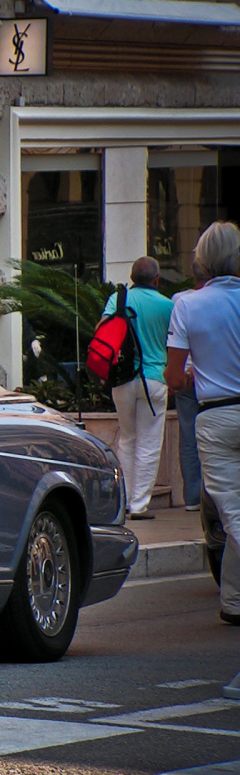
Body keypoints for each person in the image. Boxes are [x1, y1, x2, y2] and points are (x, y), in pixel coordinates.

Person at [166, 221, 240, 626]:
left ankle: (234, 601)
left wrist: (197, 376)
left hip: (215, 416)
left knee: (232, 516)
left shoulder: (187, 304)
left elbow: (175, 378)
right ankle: (233, 601)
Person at [102, 255, 174, 520]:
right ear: (156, 279)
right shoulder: (168, 306)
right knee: (149, 443)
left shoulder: (117, 300)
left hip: (122, 379)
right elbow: (176, 344)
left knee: (127, 439)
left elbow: (103, 330)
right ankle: (140, 505)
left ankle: (123, 501)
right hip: (154, 379)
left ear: (132, 278)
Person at [172, 264, 208, 512]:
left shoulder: (179, 299)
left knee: (188, 436)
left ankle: (192, 497)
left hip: (184, 376)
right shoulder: (220, 300)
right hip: (210, 377)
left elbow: (174, 338)